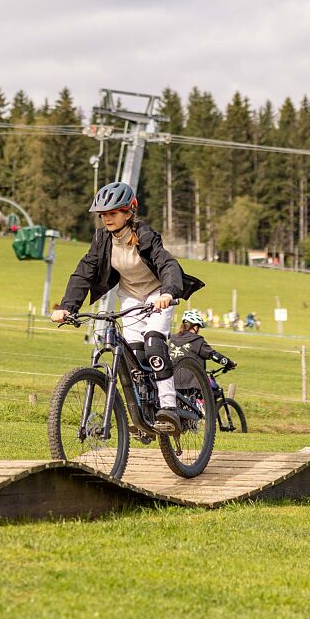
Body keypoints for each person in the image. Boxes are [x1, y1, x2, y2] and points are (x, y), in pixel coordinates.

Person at [51, 181, 204, 432]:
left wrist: (167, 292)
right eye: (103, 215)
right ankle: (143, 412)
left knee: (153, 342)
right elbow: (84, 273)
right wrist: (68, 307)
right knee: (134, 355)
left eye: (112, 213)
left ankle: (169, 407)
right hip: (131, 297)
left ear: (128, 212)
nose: (107, 219)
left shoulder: (144, 235)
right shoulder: (102, 239)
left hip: (158, 295)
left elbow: (167, 265)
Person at [170, 309, 238, 400]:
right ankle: (208, 413)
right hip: (192, 383)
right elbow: (214, 356)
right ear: (195, 327)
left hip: (171, 381)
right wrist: (229, 363)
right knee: (215, 391)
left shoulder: (171, 339)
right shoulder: (197, 340)